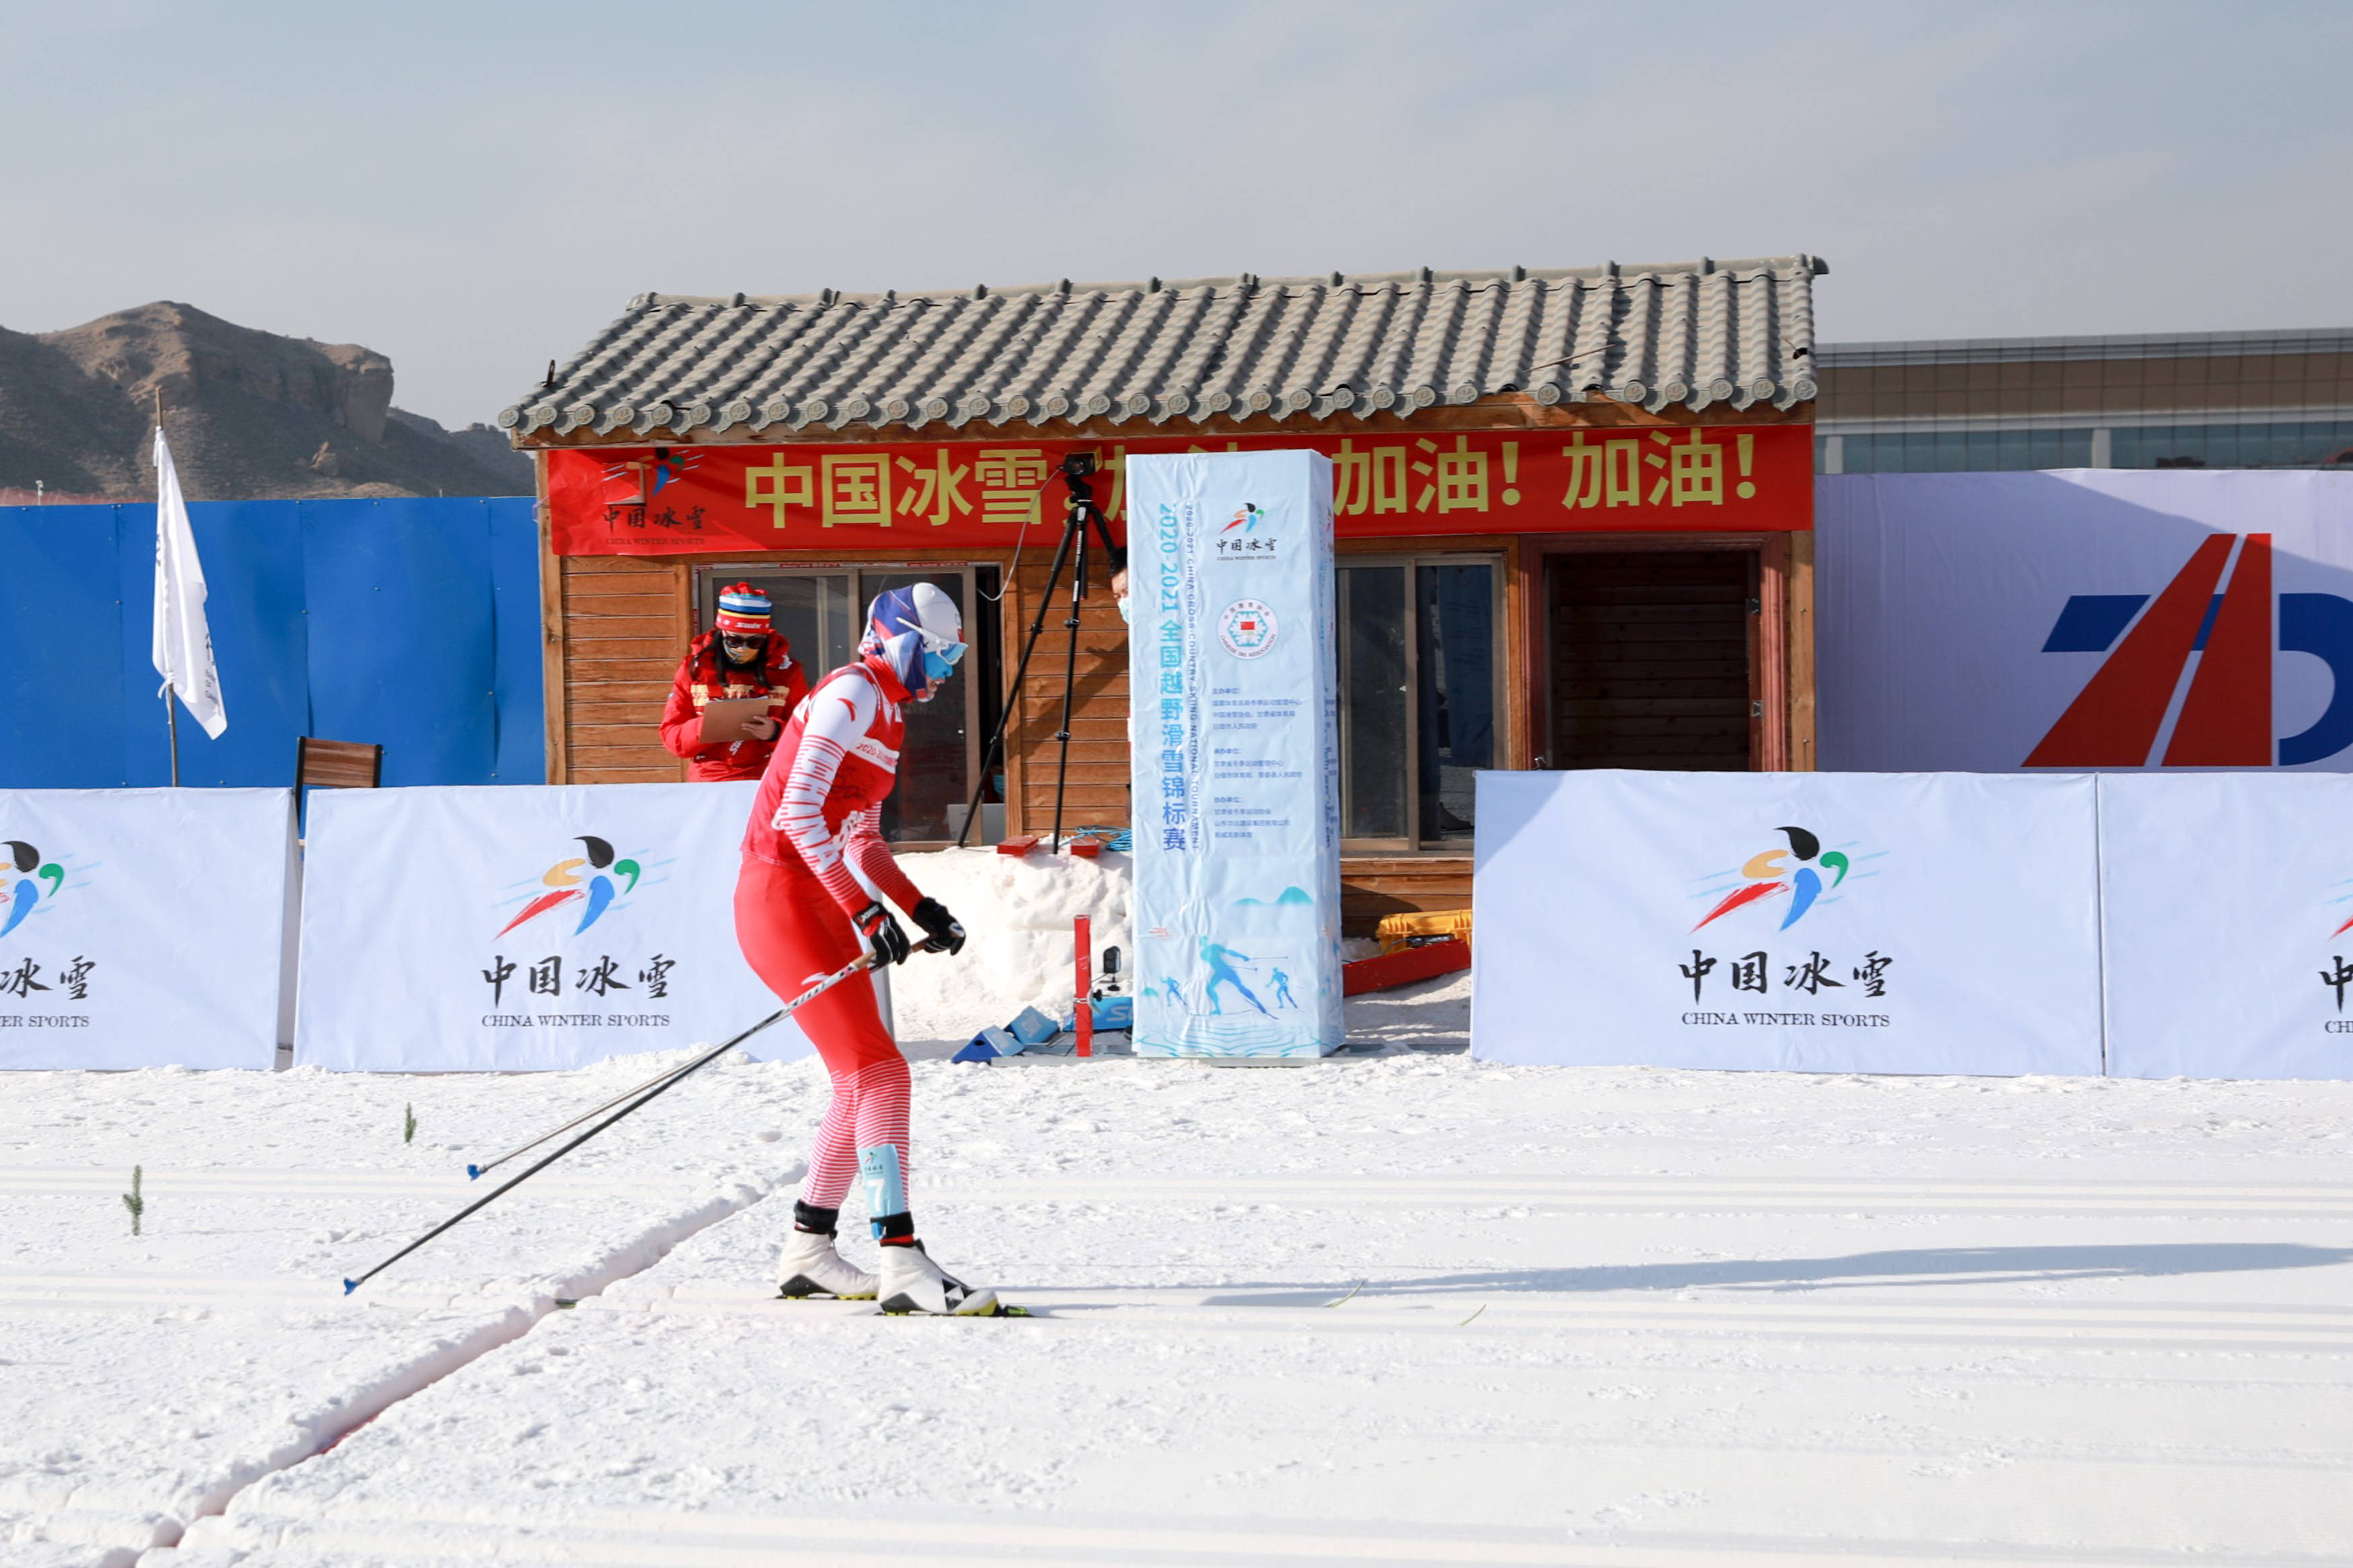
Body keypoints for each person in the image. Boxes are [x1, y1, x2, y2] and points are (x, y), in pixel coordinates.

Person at [733, 582, 994, 1315]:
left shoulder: (888, 710)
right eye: (939, 651)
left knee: (862, 1076)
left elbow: (862, 837)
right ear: (897, 640)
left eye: (954, 654)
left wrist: (918, 906)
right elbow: (796, 811)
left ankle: (809, 1251)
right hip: (779, 898)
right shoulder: (850, 692)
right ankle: (899, 1256)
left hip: (811, 897)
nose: (944, 667)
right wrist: (860, 906)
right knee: (882, 1074)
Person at [660, 583, 808, 782]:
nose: (743, 649)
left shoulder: (788, 672)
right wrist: (710, 725)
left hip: (768, 779)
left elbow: (808, 736)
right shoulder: (694, 670)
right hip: (709, 781)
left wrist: (775, 732)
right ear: (721, 635)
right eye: (735, 641)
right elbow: (673, 739)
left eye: (754, 642)